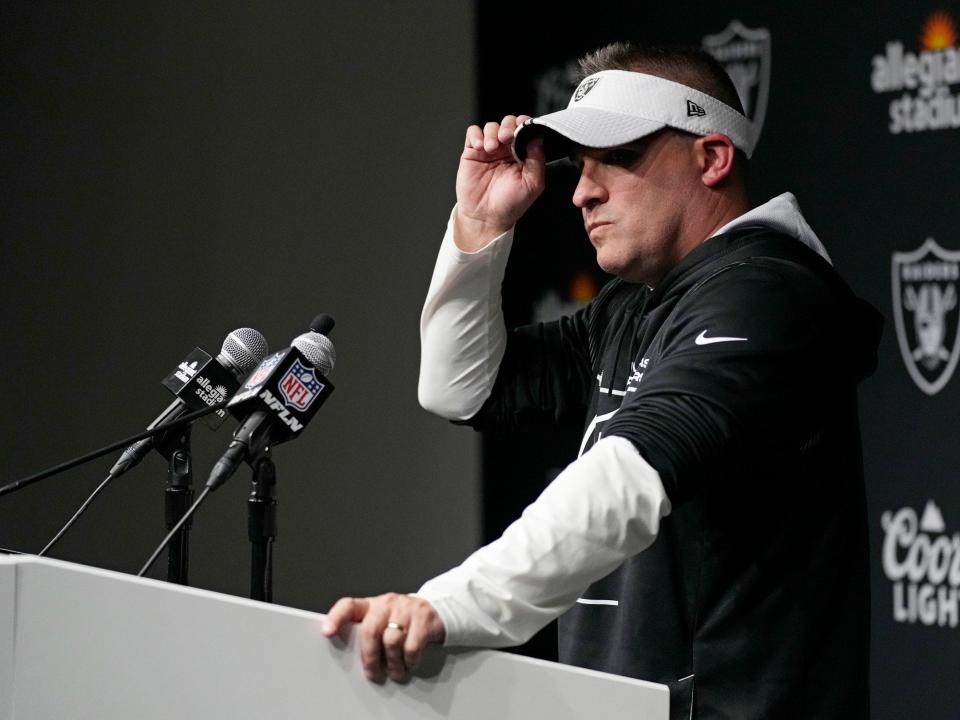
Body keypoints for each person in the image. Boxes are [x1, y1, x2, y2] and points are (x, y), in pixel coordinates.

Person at [323, 43, 881, 719]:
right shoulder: (634, 304)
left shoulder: (767, 293)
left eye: (617, 158)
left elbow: (628, 476)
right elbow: (463, 386)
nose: (582, 191)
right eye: (580, 168)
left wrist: (445, 606)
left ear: (712, 157)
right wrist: (479, 226)